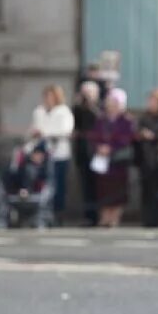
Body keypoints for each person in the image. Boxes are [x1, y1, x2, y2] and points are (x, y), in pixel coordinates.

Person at [28, 84, 74, 225]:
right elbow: (33, 131)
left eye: (51, 96)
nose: (48, 99)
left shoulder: (63, 112)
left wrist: (46, 134)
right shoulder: (39, 112)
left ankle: (57, 214)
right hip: (41, 155)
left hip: (58, 154)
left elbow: (65, 131)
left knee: (58, 186)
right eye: (46, 96)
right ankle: (39, 211)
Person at [90, 88, 135, 228]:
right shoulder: (101, 119)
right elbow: (93, 136)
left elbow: (127, 138)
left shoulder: (127, 120)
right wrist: (99, 146)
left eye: (116, 102)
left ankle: (114, 217)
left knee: (118, 189)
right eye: (111, 101)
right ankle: (104, 216)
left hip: (118, 161)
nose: (113, 105)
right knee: (103, 189)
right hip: (103, 160)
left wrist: (112, 148)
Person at [135, 87, 158, 227]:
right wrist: (141, 135)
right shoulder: (144, 117)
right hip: (145, 158)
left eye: (154, 101)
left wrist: (154, 136)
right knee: (146, 190)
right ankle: (148, 219)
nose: (150, 103)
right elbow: (137, 132)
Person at [72, 81, 101, 226]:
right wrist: (78, 104)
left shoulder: (98, 107)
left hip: (96, 152)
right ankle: (88, 216)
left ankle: (97, 216)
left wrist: (90, 105)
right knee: (85, 186)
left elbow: (99, 120)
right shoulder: (78, 108)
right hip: (82, 152)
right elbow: (74, 124)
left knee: (98, 186)